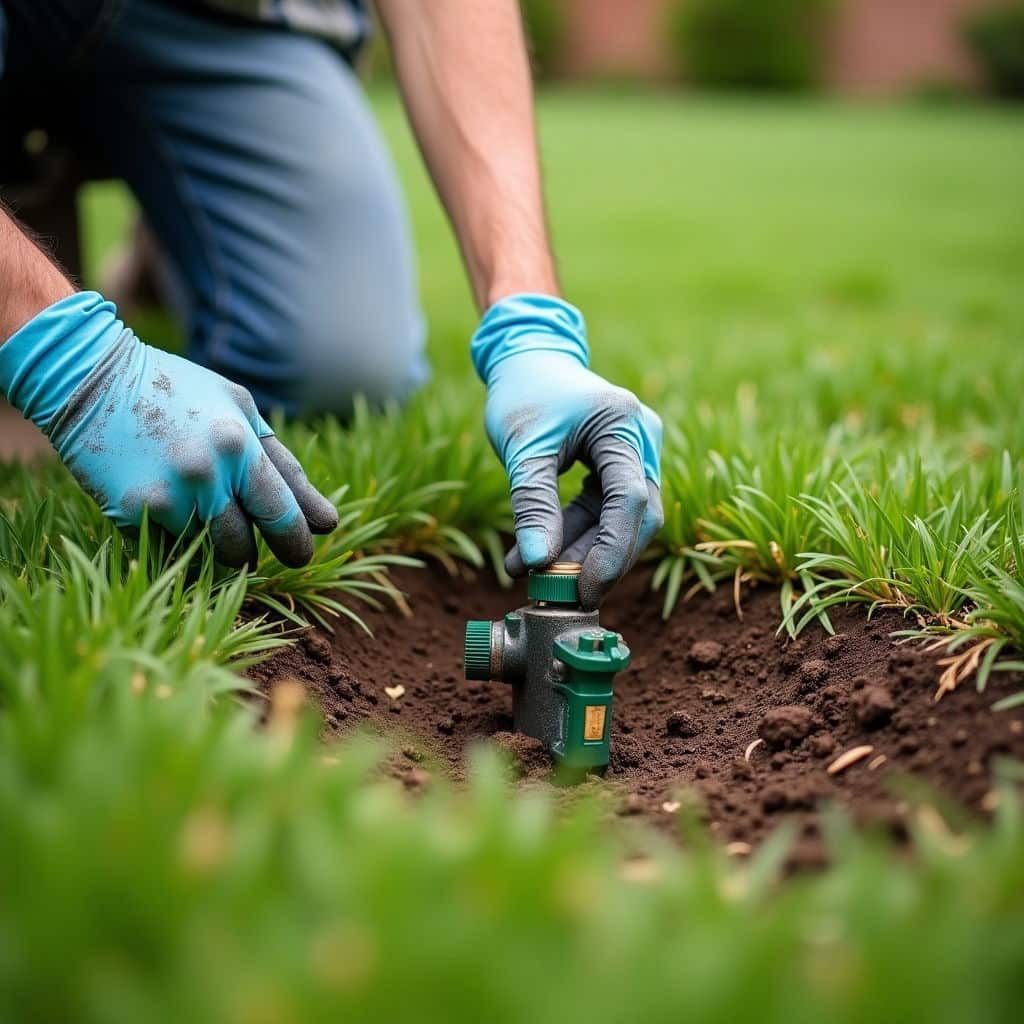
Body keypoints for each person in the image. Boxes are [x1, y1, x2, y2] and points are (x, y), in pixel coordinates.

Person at [0, 0, 662, 609]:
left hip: (210, 13)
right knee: (14, 439)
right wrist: (74, 361)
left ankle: (177, 244)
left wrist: (532, 326)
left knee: (339, 365)